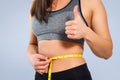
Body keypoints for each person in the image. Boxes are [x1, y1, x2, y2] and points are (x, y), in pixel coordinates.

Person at [27, 0, 113, 80]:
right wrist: (32, 57)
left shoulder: (89, 2)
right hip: (41, 76)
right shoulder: (37, 4)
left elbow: (107, 52)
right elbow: (32, 44)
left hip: (73, 74)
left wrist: (86, 32)